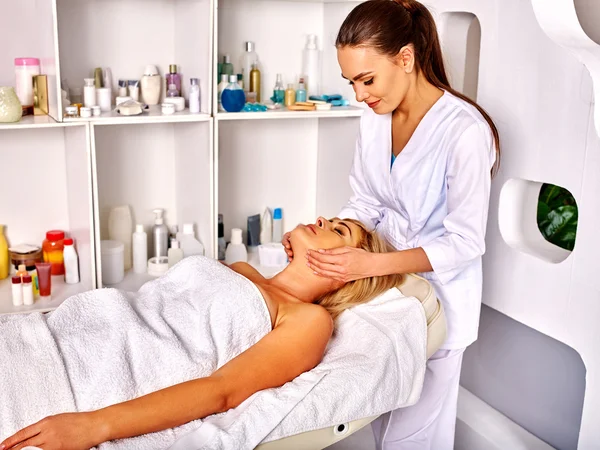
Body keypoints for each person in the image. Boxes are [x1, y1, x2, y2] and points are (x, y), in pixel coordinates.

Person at [283, 1, 500, 448]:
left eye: (367, 80)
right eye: (351, 82)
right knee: (378, 420)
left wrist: (367, 266)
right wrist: (322, 245)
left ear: (406, 57)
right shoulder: (375, 118)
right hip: (382, 294)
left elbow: (464, 242)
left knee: (415, 436)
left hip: (440, 299)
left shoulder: (463, 132)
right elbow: (366, 201)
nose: (360, 95)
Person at [1, 218, 402, 450]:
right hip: (70, 333)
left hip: (91, 376)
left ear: (349, 266)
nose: (321, 220)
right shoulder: (244, 269)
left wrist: (95, 425)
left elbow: (221, 391)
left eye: (337, 230)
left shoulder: (307, 320)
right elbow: (159, 301)